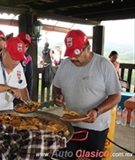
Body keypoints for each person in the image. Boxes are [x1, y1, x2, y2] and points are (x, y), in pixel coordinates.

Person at [52, 30, 121, 160]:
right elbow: (56, 87)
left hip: (95, 128)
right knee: (66, 157)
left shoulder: (104, 65)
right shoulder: (65, 64)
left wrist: (97, 111)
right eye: (70, 54)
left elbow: (116, 96)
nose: (73, 58)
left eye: (77, 53)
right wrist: (58, 96)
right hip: (69, 125)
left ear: (88, 48)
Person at [13, 32, 33, 105]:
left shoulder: (28, 59)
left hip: (20, 96)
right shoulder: (3, 56)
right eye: (21, 44)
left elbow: (29, 79)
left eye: (27, 46)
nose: (24, 48)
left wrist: (28, 98)